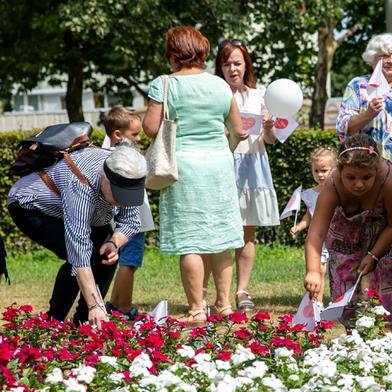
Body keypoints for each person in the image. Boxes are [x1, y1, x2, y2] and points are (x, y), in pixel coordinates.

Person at [142, 26, 247, 326]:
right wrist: (223, 149)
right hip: (219, 165)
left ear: (173, 53)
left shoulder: (163, 84)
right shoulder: (220, 85)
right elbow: (238, 130)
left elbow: (150, 128)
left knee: (191, 240)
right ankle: (225, 305)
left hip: (183, 167)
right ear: (201, 51)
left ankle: (197, 309)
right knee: (222, 237)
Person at [8, 145, 146, 328]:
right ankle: (52, 324)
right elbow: (79, 251)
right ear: (104, 179)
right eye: (119, 195)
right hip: (31, 205)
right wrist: (94, 304)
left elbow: (130, 222)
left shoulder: (128, 174)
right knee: (82, 257)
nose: (123, 201)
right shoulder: (80, 184)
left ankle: (85, 323)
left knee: (105, 256)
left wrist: (114, 243)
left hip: (84, 210)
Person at [303, 134, 392, 326]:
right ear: (339, 171)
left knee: (388, 274)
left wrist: (374, 255)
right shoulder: (332, 185)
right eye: (350, 178)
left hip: (386, 228)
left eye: (367, 177)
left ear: (376, 170)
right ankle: (352, 334)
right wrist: (313, 271)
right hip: (347, 228)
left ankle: (387, 331)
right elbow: (316, 233)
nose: (359, 184)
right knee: (346, 275)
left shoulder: (389, 181)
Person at [210, 38, 281, 312]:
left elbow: (271, 140)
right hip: (223, 165)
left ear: (246, 65)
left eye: (237, 63)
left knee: (246, 233)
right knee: (220, 232)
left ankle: (241, 291)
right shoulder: (215, 96)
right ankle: (221, 295)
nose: (232, 68)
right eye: (226, 63)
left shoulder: (258, 95)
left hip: (253, 166)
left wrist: (269, 126)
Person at [336, 33, 392, 206]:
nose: (391, 61)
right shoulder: (358, 85)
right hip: (369, 171)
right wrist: (368, 114)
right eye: (384, 56)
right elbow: (344, 127)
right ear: (372, 59)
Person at [101, 106, 155, 320]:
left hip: (116, 222)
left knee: (123, 261)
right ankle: (124, 306)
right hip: (133, 222)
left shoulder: (108, 156)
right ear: (117, 134)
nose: (139, 138)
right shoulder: (127, 158)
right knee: (130, 263)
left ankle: (114, 303)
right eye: (135, 134)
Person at [291, 147, 337, 301]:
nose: (320, 175)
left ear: (334, 169)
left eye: (324, 170)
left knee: (339, 270)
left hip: (336, 237)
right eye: (316, 171)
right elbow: (308, 216)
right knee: (319, 269)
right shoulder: (310, 194)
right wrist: (299, 227)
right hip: (320, 240)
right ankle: (316, 302)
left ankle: (339, 300)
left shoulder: (339, 191)